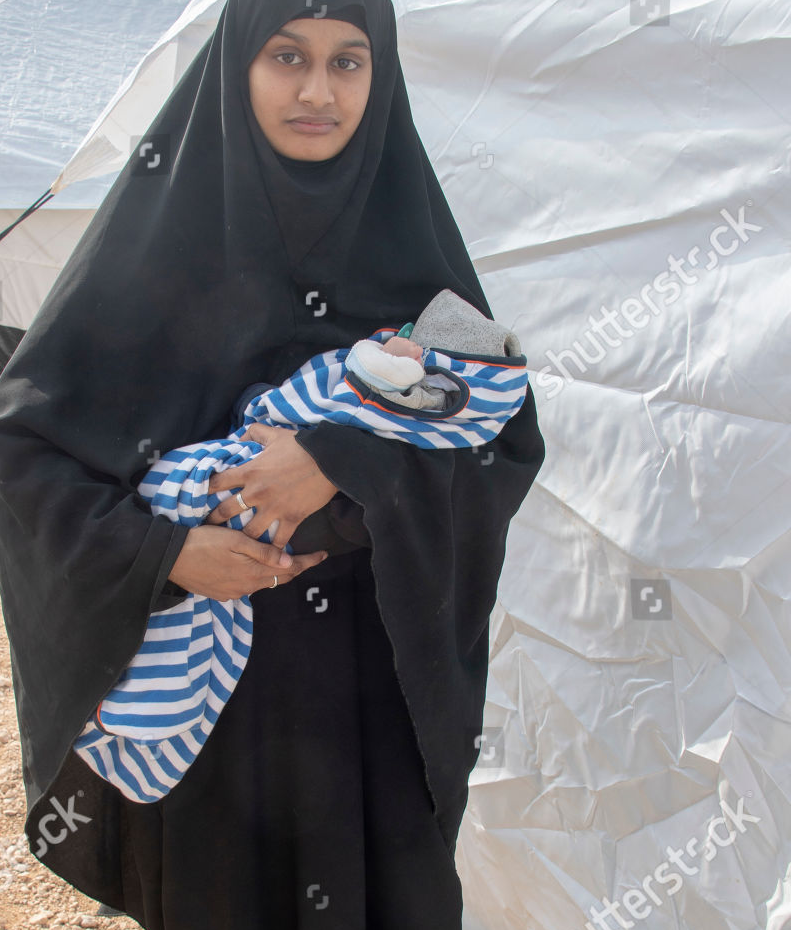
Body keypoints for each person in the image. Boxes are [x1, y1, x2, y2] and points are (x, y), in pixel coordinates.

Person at [0, 0, 545, 930]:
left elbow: (499, 441)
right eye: (284, 55)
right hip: (214, 685)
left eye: (347, 60)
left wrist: (334, 461)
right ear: (236, 65)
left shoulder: (411, 243)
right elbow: (24, 447)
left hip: (373, 673)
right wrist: (166, 553)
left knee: (401, 917)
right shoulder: (159, 245)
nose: (315, 90)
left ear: (380, 76)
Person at [74, 291, 531, 806]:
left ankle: (153, 711)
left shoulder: (424, 333)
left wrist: (335, 459)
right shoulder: (150, 263)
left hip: (361, 669)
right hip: (210, 567)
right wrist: (167, 556)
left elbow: (492, 460)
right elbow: (37, 456)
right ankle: (152, 710)